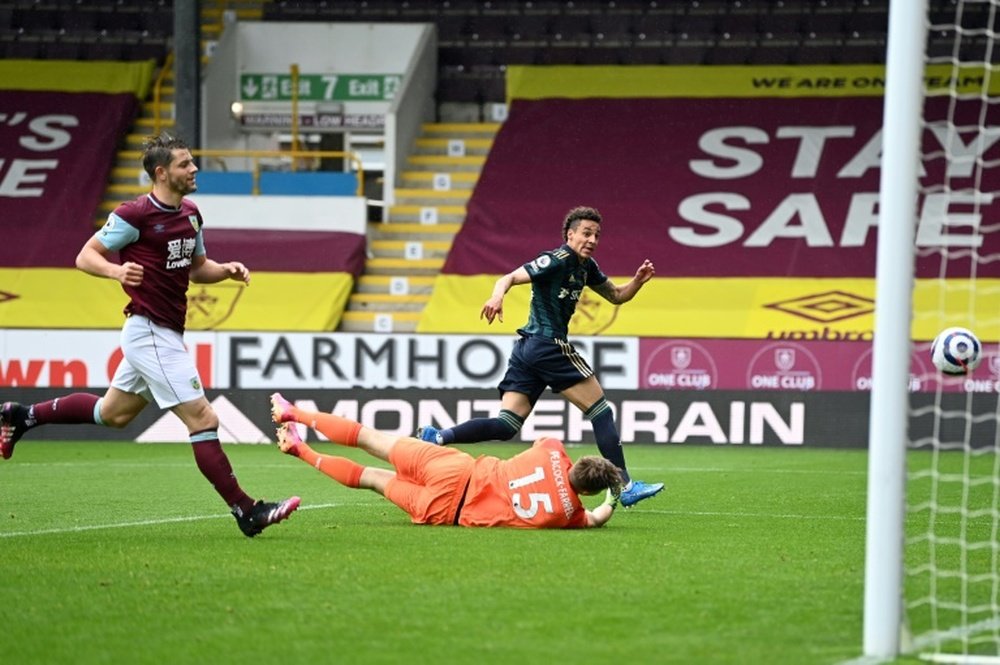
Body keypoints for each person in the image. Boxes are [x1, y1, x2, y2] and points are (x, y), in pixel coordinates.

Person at [0, 133, 299, 538]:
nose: (194, 169)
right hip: (149, 331)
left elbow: (196, 267)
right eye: (184, 164)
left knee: (114, 414)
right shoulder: (134, 214)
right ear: (161, 173)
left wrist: (224, 270)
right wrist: (116, 271)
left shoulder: (191, 213)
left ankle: (24, 415)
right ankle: (247, 510)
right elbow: (85, 256)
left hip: (165, 332)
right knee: (204, 418)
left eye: (193, 162)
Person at [416, 205, 663, 508]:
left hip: (528, 351)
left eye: (597, 235)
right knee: (601, 411)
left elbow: (616, 296)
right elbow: (508, 277)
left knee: (506, 425)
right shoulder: (556, 259)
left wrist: (637, 280)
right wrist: (497, 296)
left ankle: (437, 436)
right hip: (548, 344)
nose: (592, 239)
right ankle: (624, 485)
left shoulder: (587, 267)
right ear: (570, 235)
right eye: (586, 233)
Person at [269, 392, 623, 529]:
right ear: (588, 493)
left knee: (370, 438)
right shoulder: (570, 515)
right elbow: (598, 518)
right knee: (372, 477)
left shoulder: (553, 450)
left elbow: (539, 440)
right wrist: (613, 497)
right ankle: (301, 450)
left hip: (456, 469)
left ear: (576, 462)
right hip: (446, 511)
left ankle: (293, 413)